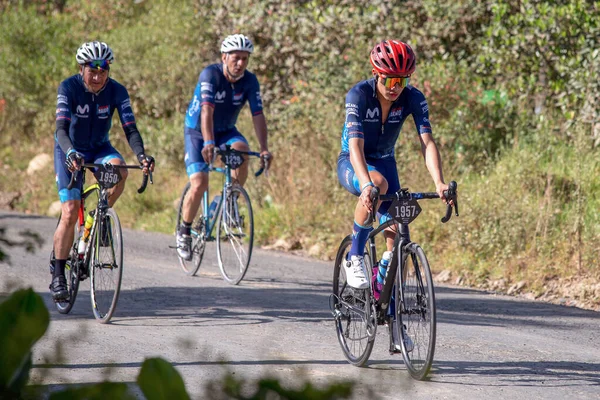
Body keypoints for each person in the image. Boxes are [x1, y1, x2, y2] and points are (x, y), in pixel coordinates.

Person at [337, 40, 450, 289]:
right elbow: (355, 145)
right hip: (353, 161)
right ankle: (354, 256)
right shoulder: (359, 95)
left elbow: (427, 142)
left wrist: (439, 182)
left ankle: (386, 301)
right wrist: (366, 184)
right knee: (377, 184)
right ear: (376, 74)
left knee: (398, 233)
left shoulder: (413, 98)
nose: (396, 87)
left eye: (402, 80)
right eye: (389, 80)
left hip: (386, 161)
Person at [50, 41, 155, 300]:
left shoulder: (117, 91)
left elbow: (130, 128)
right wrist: (71, 152)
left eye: (103, 71)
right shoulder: (69, 87)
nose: (97, 77)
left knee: (121, 171)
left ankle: (101, 214)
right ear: (81, 68)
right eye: (92, 71)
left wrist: (141, 155)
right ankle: (58, 275)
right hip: (70, 150)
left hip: (99, 149)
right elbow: (61, 129)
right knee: (70, 212)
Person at [176, 34, 272, 260]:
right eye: (236, 58)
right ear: (224, 57)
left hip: (227, 130)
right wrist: (208, 142)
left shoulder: (250, 81)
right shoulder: (210, 75)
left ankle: (229, 202)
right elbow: (207, 111)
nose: (240, 64)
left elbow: (258, 115)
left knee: (242, 150)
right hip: (198, 131)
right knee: (200, 183)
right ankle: (184, 231)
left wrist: (265, 148)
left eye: (245, 59)